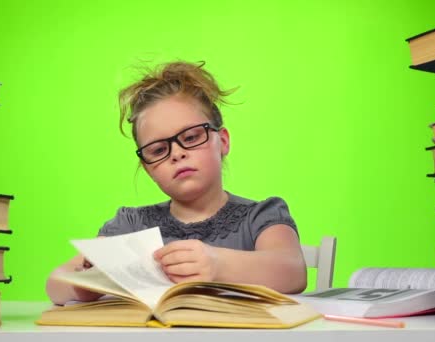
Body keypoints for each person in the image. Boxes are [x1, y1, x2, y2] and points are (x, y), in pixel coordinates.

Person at [46, 61, 306, 305]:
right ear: (148, 169)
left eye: (191, 137)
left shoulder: (261, 216)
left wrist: (217, 264)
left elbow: (293, 272)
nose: (177, 154)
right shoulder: (130, 224)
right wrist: (85, 284)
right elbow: (55, 283)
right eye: (158, 150)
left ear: (223, 141)